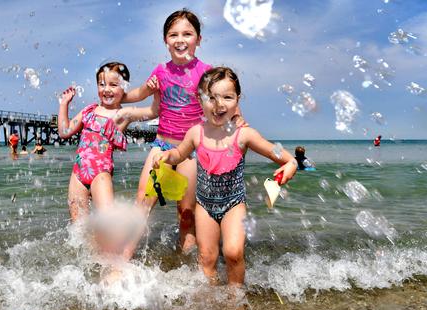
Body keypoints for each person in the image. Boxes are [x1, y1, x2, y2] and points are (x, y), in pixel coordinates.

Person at [153, 67, 297, 286]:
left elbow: (274, 151)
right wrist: (166, 156)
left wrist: (291, 163)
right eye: (211, 98)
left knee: (233, 252)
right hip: (204, 206)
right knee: (207, 258)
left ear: (238, 99)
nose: (219, 105)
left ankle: (235, 294)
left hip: (233, 205)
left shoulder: (244, 134)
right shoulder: (196, 133)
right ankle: (212, 297)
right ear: (199, 100)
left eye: (227, 97)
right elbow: (179, 154)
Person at [123, 9, 244, 254]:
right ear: (165, 40)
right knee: (142, 203)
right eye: (173, 34)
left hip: (191, 151)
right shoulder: (160, 72)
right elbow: (139, 95)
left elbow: (230, 109)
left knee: (186, 212)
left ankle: (186, 267)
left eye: (187, 34)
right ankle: (122, 258)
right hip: (162, 146)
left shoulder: (208, 73)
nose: (180, 39)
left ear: (198, 39)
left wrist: (240, 131)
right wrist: (117, 97)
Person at [58, 61, 158, 258]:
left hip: (100, 176)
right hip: (77, 175)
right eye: (102, 84)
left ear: (125, 88)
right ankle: (93, 270)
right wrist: (64, 104)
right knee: (81, 232)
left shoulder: (123, 114)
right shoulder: (88, 111)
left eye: (114, 84)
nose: (107, 89)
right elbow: (65, 131)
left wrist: (156, 91)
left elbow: (154, 111)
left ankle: (115, 264)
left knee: (107, 227)